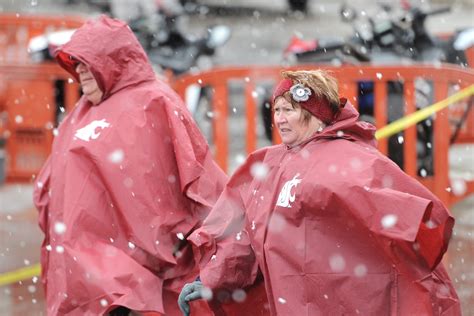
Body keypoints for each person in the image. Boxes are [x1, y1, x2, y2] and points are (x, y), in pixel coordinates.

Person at [178, 69, 461, 315]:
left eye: (289, 110)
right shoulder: (269, 163)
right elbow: (245, 235)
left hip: (343, 299)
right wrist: (211, 279)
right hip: (293, 300)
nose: (280, 119)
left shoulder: (347, 160)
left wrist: (421, 228)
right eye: (276, 110)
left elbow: (404, 212)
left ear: (315, 115)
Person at [33, 15, 227, 315]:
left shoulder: (155, 102)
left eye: (86, 60)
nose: (79, 69)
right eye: (75, 61)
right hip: (84, 280)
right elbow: (48, 190)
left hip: (140, 281)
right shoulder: (80, 113)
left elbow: (201, 182)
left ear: (109, 59)